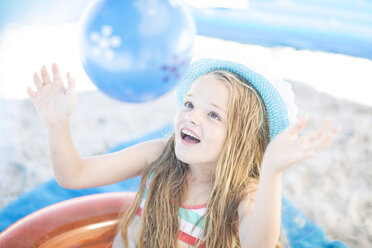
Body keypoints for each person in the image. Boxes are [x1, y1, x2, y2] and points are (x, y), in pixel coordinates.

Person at [27, 58, 340, 248]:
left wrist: (272, 172)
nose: (191, 117)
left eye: (213, 115)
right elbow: (74, 175)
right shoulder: (158, 156)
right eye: (189, 104)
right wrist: (58, 123)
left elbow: (259, 243)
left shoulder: (244, 195)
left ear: (241, 139)